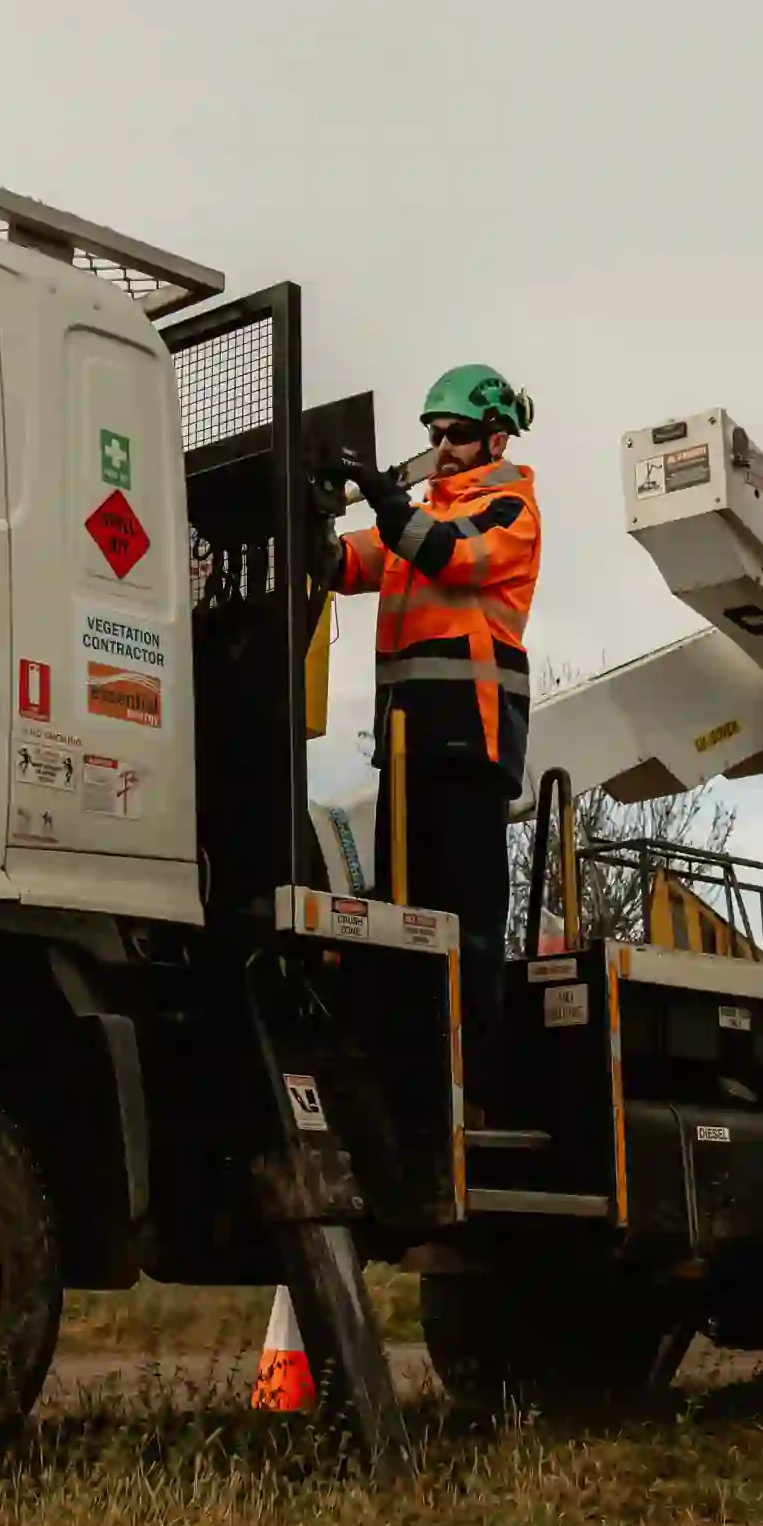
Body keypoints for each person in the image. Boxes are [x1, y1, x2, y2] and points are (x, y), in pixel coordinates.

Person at [325, 364, 541, 1064]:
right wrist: (307, 510)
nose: (443, 446)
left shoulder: (509, 509)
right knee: (402, 912)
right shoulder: (424, 514)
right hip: (408, 740)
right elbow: (347, 562)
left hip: (470, 739)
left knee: (468, 920)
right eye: (434, 432)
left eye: (458, 434)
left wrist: (385, 492)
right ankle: (412, 1064)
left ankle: (474, 1075)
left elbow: (448, 557)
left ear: (497, 441)